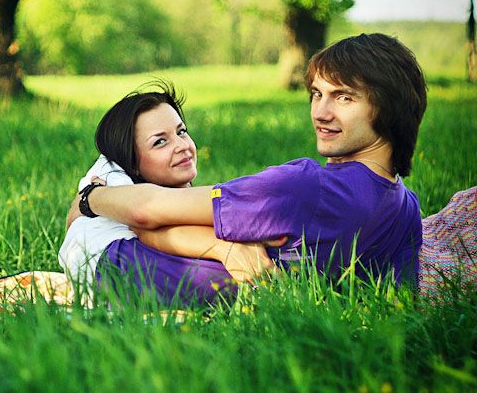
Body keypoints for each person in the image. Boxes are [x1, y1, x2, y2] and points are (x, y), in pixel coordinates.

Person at [67, 33, 429, 302]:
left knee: (98, 194)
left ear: (388, 107)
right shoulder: (405, 207)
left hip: (111, 264)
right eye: (317, 94)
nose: (320, 113)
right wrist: (220, 246)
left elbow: (144, 216)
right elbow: (394, 297)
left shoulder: (304, 187)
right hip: (158, 257)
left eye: (343, 97)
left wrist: (89, 197)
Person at [59, 81, 278, 306]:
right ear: (131, 162)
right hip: (114, 260)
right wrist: (228, 244)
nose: (182, 145)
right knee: (230, 280)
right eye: (160, 142)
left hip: (129, 260)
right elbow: (141, 218)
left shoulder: (169, 182)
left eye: (181, 131)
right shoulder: (109, 173)